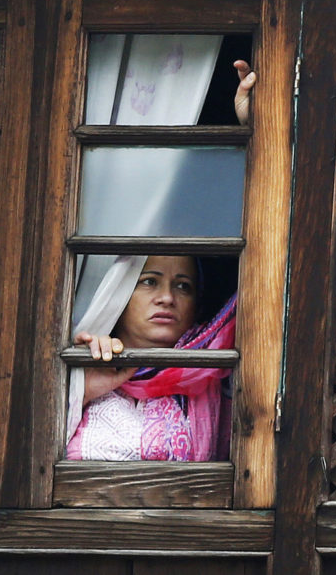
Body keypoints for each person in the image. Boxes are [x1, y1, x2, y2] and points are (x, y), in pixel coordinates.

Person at [65, 61, 254, 462]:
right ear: (117, 291)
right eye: (148, 281)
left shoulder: (216, 371)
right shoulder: (75, 371)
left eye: (182, 285)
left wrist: (257, 134)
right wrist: (81, 388)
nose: (166, 297)